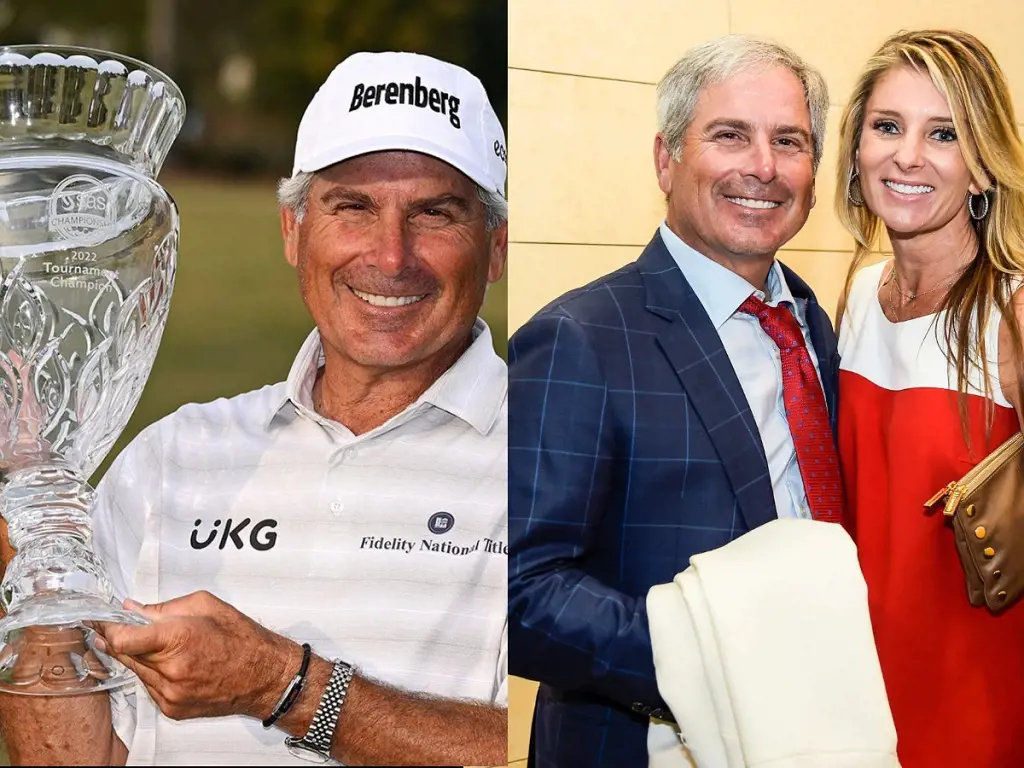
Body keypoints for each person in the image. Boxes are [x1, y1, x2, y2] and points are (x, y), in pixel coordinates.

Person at [0, 50, 509, 767]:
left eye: (434, 213)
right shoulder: (169, 457)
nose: (391, 257)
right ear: (293, 232)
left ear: (496, 249)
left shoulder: (555, 465)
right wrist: (33, 518)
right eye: (352, 207)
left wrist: (286, 685)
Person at [508, 35, 839, 767]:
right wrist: (709, 659)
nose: (763, 166)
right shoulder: (578, 338)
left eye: (790, 141)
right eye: (730, 135)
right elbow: (519, 591)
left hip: (819, 731)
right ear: (666, 159)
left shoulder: (812, 329)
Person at [835, 29, 1024, 768]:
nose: (907, 155)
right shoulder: (854, 296)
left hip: (979, 703)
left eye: (943, 133)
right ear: (856, 151)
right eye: (887, 127)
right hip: (854, 695)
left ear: (982, 167)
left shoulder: (1011, 316)